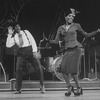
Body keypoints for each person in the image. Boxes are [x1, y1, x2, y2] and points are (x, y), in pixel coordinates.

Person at [49, 8, 100, 96]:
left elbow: (86, 34)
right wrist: (48, 41)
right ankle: (69, 86)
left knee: (73, 71)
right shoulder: (60, 28)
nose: (71, 18)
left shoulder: (76, 25)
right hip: (67, 50)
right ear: (65, 17)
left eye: (72, 16)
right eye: (69, 16)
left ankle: (79, 88)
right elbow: (56, 41)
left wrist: (97, 31)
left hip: (76, 49)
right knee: (63, 70)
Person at [6, 22, 45, 94]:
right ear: (13, 29)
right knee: (18, 70)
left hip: (30, 50)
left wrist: (34, 51)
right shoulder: (13, 36)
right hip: (21, 53)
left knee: (39, 68)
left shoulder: (26, 32)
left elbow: (32, 41)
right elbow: (8, 45)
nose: (18, 27)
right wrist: (9, 34)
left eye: (18, 26)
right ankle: (18, 89)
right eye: (16, 27)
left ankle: (42, 86)